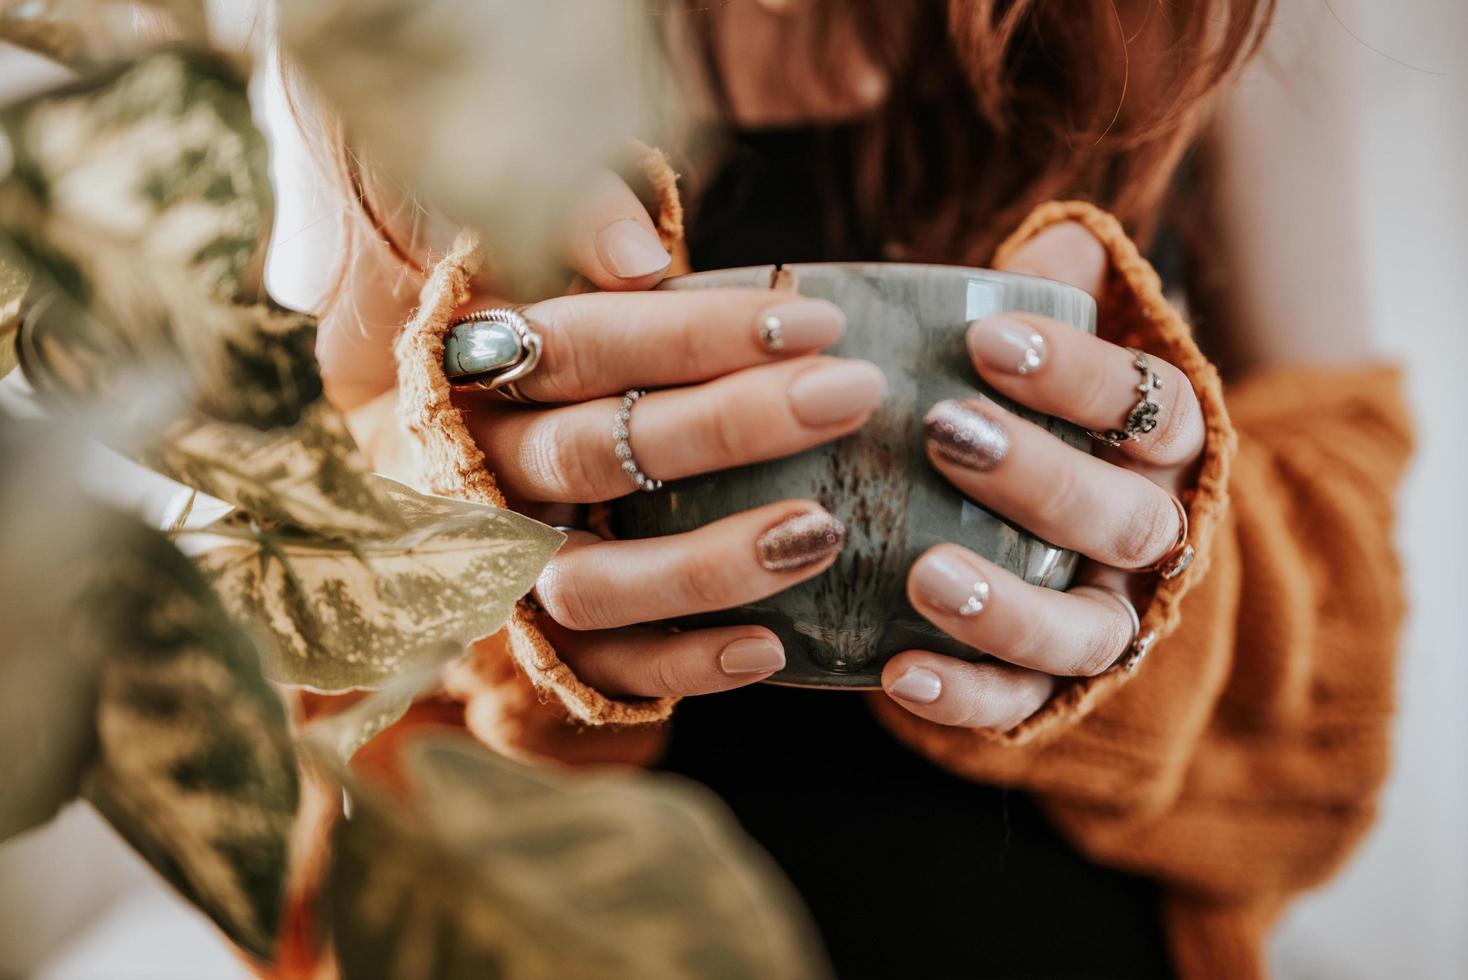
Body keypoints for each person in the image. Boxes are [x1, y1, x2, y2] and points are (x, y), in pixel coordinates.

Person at [291, 2, 1412, 976]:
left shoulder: (1219, 25)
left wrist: (1146, 576)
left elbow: (1325, 746)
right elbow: (257, 669)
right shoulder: (396, 30)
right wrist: (471, 518)